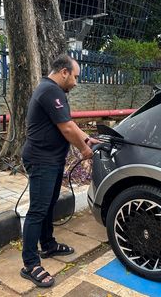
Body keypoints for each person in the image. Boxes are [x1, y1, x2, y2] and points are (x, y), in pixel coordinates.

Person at [20, 54, 100, 287]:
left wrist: (87, 137)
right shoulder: (50, 91)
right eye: (75, 77)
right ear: (64, 72)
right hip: (41, 160)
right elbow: (66, 129)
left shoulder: (55, 92)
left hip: (51, 160)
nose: (76, 82)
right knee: (37, 210)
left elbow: (69, 122)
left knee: (48, 205)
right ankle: (30, 264)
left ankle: (48, 245)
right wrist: (84, 150)